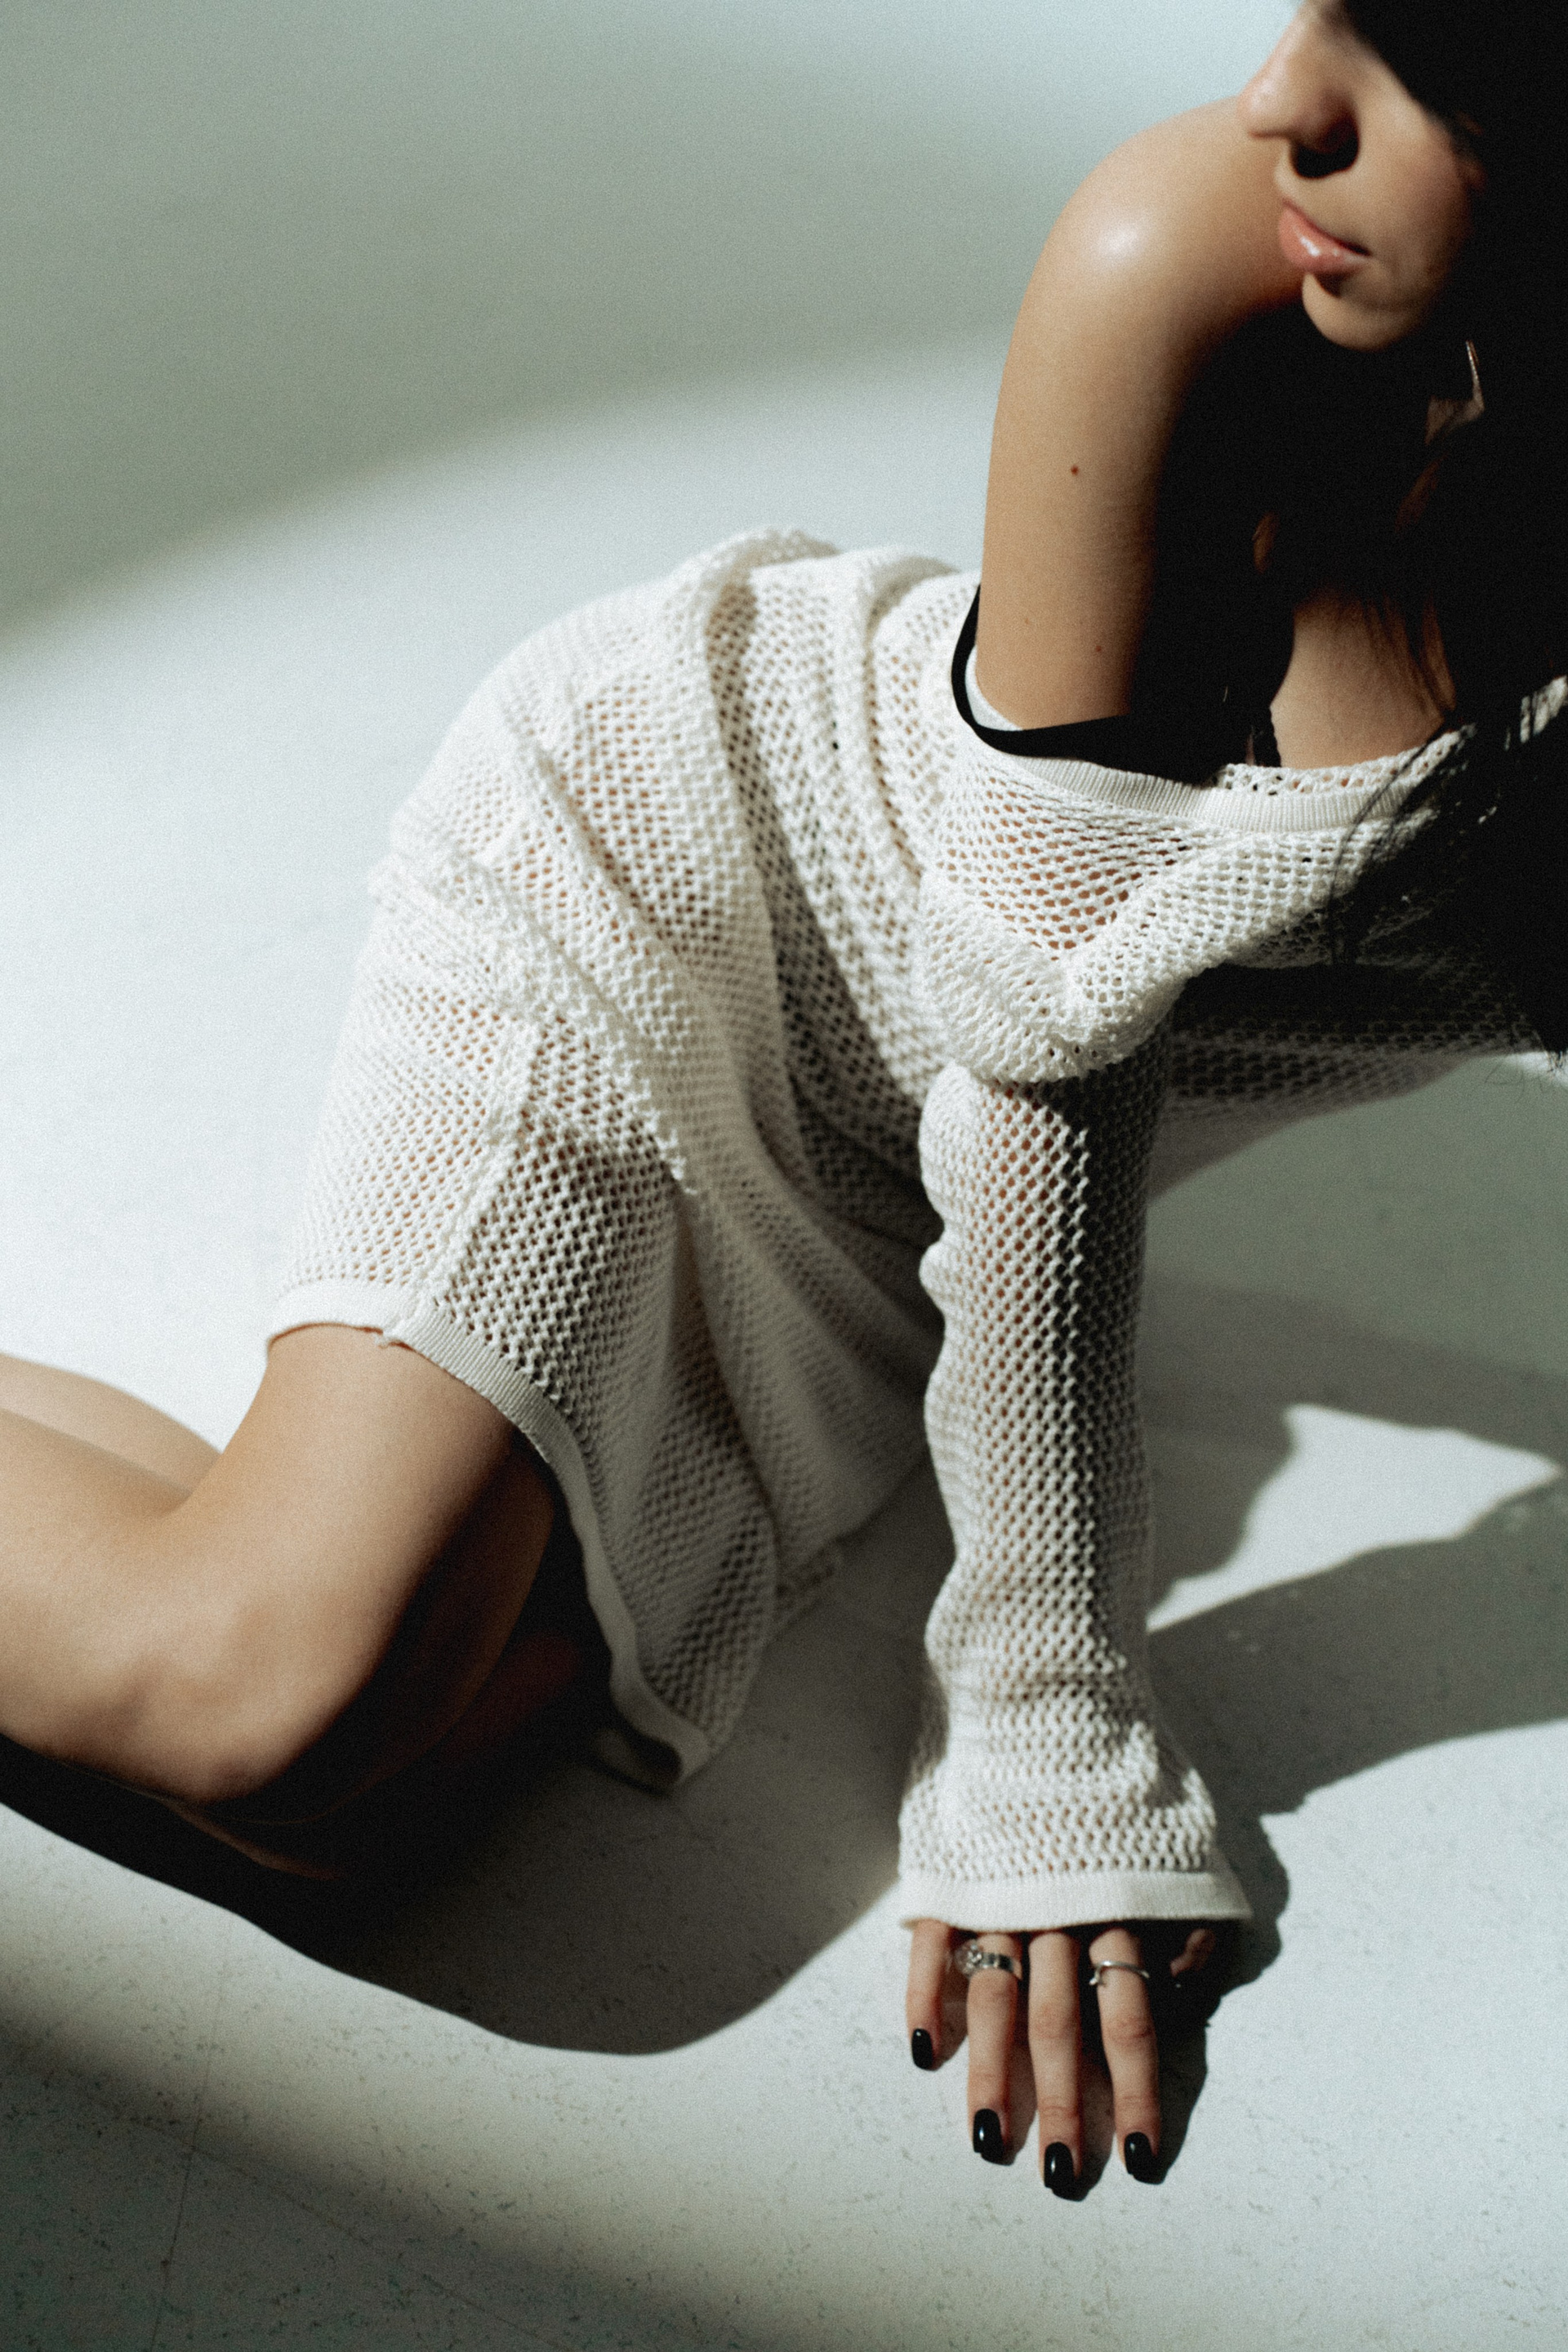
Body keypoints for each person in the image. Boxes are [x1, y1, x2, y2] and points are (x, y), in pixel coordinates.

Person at [1, 0, 1561, 2198]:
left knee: (397, 1798)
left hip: (883, 1196)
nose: (1283, 100)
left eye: (1429, 80)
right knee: (263, 1699)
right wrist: (1046, 1710)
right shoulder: (1190, 259)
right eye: (1326, 8)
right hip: (694, 876)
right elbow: (1046, 1062)